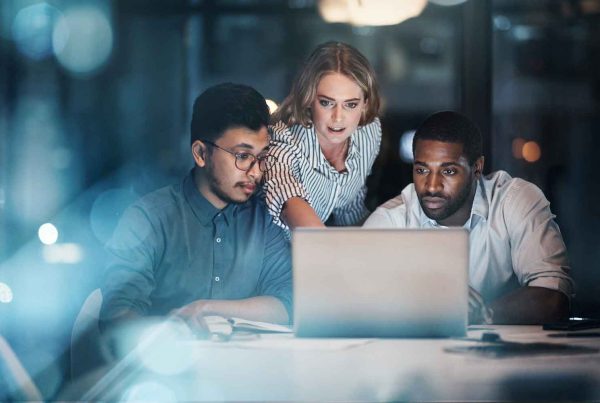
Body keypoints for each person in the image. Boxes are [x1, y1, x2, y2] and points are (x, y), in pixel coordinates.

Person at [100, 83, 292, 334]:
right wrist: (166, 332)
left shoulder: (264, 219)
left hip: (248, 367)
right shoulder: (149, 219)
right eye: (243, 156)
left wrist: (207, 309)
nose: (256, 172)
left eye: (262, 157)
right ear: (201, 153)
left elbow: (289, 302)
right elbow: (117, 314)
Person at [364, 111, 573, 324]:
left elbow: (554, 299)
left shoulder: (513, 201)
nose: (432, 186)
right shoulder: (389, 222)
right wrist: (424, 300)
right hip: (418, 356)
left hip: (506, 355)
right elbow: (357, 305)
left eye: (449, 172)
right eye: (422, 170)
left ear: (477, 168)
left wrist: (479, 315)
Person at [264, 41, 382, 232]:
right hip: (273, 254)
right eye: (327, 103)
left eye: (350, 104)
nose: (338, 117)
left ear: (365, 104)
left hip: (322, 249)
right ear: (309, 99)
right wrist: (330, 252)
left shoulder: (368, 131)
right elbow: (287, 200)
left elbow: (350, 207)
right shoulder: (284, 140)